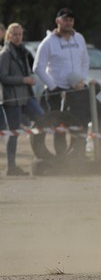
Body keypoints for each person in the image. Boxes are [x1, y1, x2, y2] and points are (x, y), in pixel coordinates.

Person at [33, 8, 101, 158]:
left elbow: (85, 60)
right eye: (65, 20)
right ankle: (62, 158)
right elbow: (37, 67)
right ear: (58, 21)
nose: (68, 23)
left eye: (71, 20)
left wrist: (81, 79)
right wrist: (54, 87)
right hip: (57, 90)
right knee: (60, 124)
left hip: (78, 88)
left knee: (98, 111)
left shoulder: (79, 38)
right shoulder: (48, 42)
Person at [0, 24, 45, 175]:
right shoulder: (5, 54)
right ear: (8, 36)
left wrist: (30, 79)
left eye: (20, 34)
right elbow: (3, 78)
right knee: (13, 133)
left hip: (27, 97)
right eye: (14, 34)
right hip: (11, 99)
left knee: (42, 119)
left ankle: (43, 155)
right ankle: (11, 168)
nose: (18, 37)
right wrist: (23, 80)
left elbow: (27, 72)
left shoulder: (23, 52)